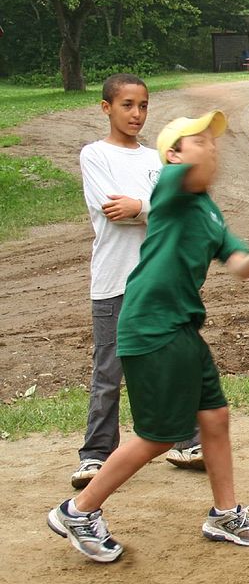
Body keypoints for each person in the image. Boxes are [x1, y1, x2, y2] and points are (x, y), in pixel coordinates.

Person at [48, 110, 249, 563]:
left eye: (212, 140)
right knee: (158, 436)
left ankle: (224, 513)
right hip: (152, 326)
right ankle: (78, 510)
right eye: (199, 141)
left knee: (214, 419)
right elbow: (196, 171)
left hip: (182, 329)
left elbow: (240, 267)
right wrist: (212, 101)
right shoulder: (171, 187)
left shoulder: (209, 211)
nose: (211, 147)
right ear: (174, 155)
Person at [71, 74, 203, 491]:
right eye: (127, 105)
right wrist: (148, 207)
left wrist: (140, 206)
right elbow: (112, 208)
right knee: (109, 371)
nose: (137, 114)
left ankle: (186, 442)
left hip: (160, 281)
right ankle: (96, 454)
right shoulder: (95, 155)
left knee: (173, 365)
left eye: (143, 106)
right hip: (113, 280)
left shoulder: (155, 159)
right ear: (106, 107)